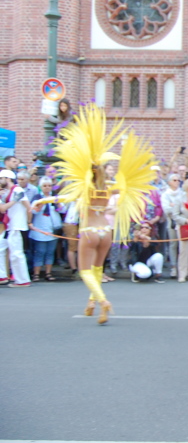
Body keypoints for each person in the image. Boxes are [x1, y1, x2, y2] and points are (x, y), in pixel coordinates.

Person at [52, 103, 155, 324]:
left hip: (89, 231)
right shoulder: (108, 188)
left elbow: (61, 198)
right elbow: (124, 190)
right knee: (98, 269)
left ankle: (103, 301)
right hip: (106, 231)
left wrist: (39, 203)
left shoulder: (84, 188)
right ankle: (92, 304)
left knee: (85, 271)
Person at [0, 169, 31, 286]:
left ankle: (22, 280)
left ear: (7, 179)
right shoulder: (7, 191)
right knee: (1, 248)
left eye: (1, 178)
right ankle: (2, 275)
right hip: (10, 225)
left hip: (17, 225)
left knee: (16, 254)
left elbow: (28, 207)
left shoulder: (17, 190)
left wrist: (29, 222)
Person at [28, 176, 62, 282]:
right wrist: (41, 204)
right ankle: (36, 274)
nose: (47, 188)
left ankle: (48, 273)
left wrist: (58, 203)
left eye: (49, 186)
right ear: (41, 187)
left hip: (52, 229)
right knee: (40, 252)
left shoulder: (55, 197)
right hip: (40, 229)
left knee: (50, 252)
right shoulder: (37, 197)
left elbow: (62, 209)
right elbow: (33, 211)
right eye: (44, 186)